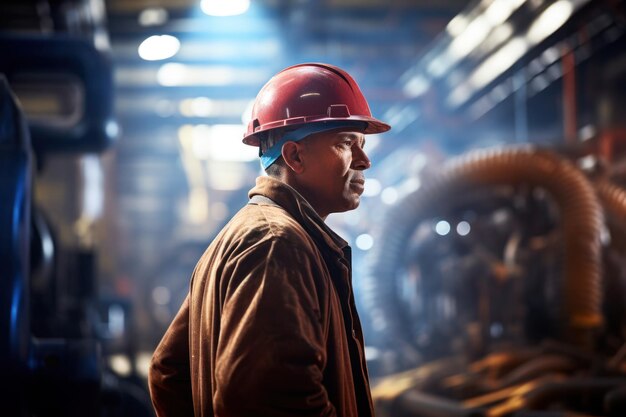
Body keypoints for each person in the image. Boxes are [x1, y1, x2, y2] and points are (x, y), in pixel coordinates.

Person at [148, 63, 391, 417]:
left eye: (363, 145)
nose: (364, 161)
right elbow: (269, 400)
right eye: (346, 143)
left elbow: (168, 372)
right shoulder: (277, 243)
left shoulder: (253, 232)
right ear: (294, 156)